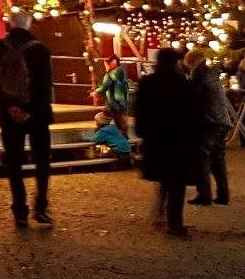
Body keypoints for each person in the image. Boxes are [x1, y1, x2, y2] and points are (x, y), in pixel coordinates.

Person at [0, 9, 54, 228]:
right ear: (29, 24)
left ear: (9, 25)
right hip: (37, 115)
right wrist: (30, 111)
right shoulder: (40, 49)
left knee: (15, 163)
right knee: (42, 160)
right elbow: (44, 84)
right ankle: (40, 206)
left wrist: (8, 107)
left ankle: (20, 211)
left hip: (8, 114)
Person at [132, 46, 203, 238]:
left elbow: (139, 109)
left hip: (155, 137)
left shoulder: (148, 82)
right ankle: (174, 223)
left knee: (164, 177)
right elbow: (192, 112)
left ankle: (160, 211)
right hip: (178, 138)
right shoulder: (182, 84)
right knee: (176, 182)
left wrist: (142, 132)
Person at [185, 48, 233, 206]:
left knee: (202, 157)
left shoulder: (199, 73)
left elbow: (192, 95)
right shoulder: (213, 73)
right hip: (222, 120)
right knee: (218, 159)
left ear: (192, 61)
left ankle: (204, 194)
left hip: (209, 121)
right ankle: (223, 194)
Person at [96, 55, 133, 137]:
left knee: (117, 121)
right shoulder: (119, 73)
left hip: (115, 104)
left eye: (113, 62)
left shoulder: (113, 74)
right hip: (117, 103)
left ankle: (103, 136)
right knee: (118, 122)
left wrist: (95, 92)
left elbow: (105, 86)